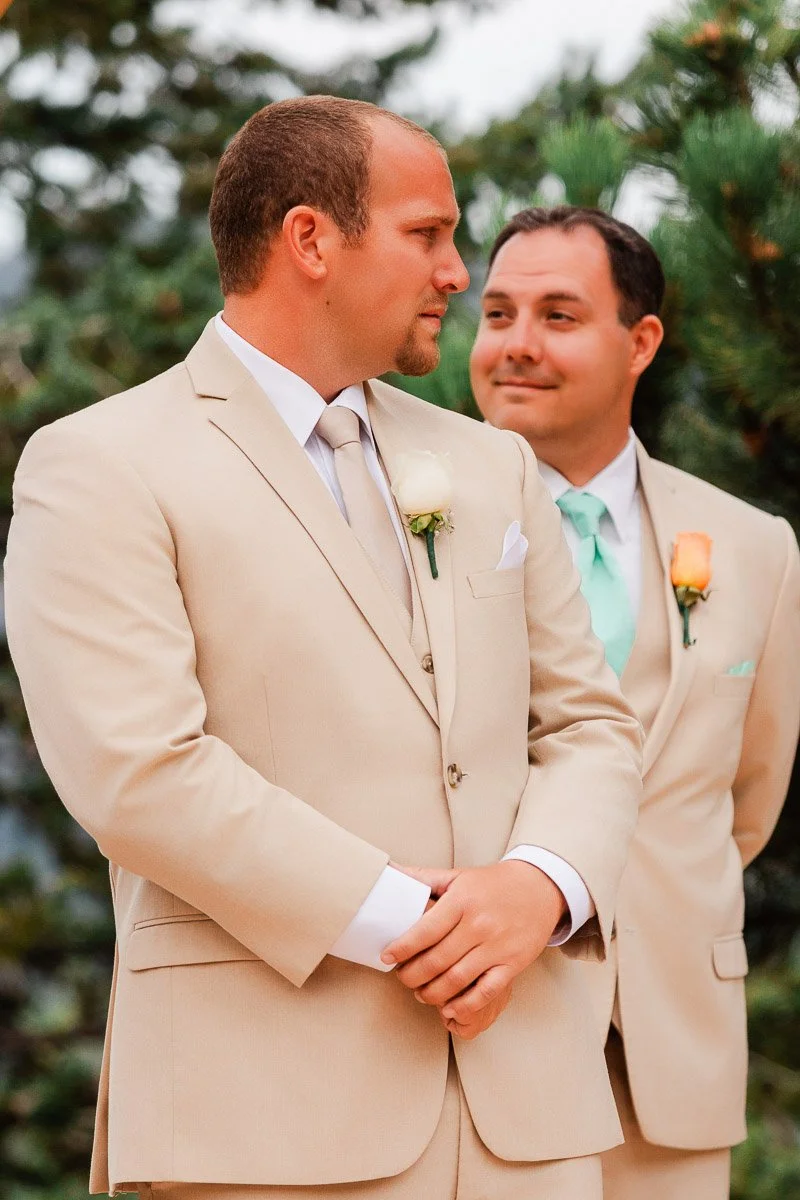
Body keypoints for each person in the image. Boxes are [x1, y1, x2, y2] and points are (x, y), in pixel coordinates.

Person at [5, 101, 642, 1200]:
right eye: (426, 234)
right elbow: (139, 773)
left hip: (526, 1128)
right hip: (258, 1119)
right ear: (310, 240)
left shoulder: (489, 464)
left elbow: (587, 725)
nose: (456, 272)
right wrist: (426, 927)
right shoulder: (100, 463)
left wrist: (537, 889)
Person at [469, 204, 800, 1200]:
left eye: (558, 316)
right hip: (476, 1034)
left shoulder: (749, 548)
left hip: (669, 1056)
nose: (514, 346)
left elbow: (745, 795)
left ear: (639, 341)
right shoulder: (412, 522)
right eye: (495, 314)